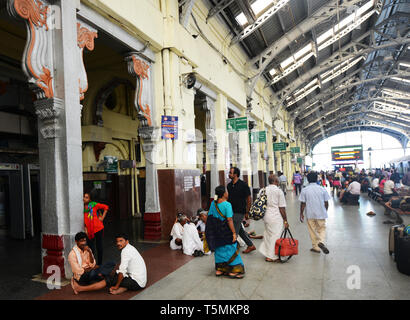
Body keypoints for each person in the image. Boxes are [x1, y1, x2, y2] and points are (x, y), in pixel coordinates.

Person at [71, 233, 147, 295]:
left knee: (110, 279)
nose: (118, 243)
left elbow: (122, 272)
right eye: (117, 241)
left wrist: (116, 286)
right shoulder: (130, 248)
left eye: (121, 241)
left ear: (127, 241)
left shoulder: (125, 252)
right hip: (141, 280)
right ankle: (120, 289)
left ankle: (80, 288)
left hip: (137, 282)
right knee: (115, 275)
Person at [208, 185, 245, 279]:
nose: (228, 193)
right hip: (226, 231)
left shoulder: (213, 203)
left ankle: (219, 270)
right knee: (231, 248)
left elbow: (210, 217)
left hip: (216, 232)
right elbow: (229, 220)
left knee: (219, 249)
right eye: (227, 191)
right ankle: (232, 271)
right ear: (224, 194)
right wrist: (233, 233)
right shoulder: (227, 205)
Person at [258, 175, 289, 262]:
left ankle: (267, 253)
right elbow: (282, 208)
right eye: (277, 180)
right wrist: (285, 220)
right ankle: (271, 256)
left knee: (268, 235)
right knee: (275, 236)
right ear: (275, 181)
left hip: (266, 216)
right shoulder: (279, 191)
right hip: (276, 216)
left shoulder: (262, 190)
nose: (278, 181)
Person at [299, 171, 330, 254]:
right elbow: (326, 202)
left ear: (308, 180)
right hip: (321, 213)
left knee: (312, 230)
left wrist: (301, 213)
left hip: (310, 213)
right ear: (317, 179)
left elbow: (303, 203)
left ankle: (316, 247)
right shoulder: (322, 189)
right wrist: (325, 210)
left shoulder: (305, 190)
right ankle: (321, 242)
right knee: (322, 228)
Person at [227, 167, 256, 254]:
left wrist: (247, 211)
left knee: (233, 231)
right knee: (239, 230)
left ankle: (231, 252)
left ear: (235, 174)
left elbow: (248, 198)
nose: (229, 174)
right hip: (231, 211)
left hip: (240, 211)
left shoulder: (243, 185)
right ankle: (250, 245)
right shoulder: (229, 185)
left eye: (230, 173)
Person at [83, 192, 109, 265]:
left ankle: (99, 264)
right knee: (91, 248)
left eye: (86, 197)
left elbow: (106, 207)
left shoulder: (94, 205)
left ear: (90, 199)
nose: (84, 199)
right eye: (84, 197)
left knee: (99, 246)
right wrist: (86, 230)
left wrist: (102, 218)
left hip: (98, 228)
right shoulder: (81, 207)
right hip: (89, 230)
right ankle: (92, 263)